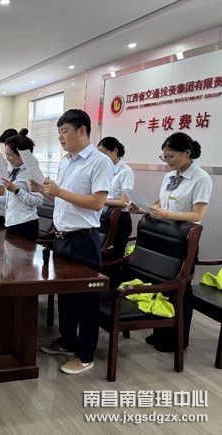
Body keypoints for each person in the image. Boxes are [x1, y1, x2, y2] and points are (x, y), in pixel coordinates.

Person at [31, 109, 113, 375]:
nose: (60, 137)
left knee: (86, 300)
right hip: (61, 238)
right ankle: (67, 340)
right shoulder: (66, 161)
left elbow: (97, 203)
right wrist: (44, 190)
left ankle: (86, 355)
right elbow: (61, 198)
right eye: (58, 132)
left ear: (82, 130)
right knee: (66, 296)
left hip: (83, 240)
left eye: (64, 131)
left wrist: (59, 191)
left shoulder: (100, 162)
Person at [130, 132, 212, 352]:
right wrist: (144, 208)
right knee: (161, 284)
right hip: (163, 236)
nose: (167, 161)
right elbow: (163, 204)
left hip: (183, 240)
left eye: (171, 156)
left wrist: (167, 214)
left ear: (187, 153)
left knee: (180, 288)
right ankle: (160, 331)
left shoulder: (201, 178)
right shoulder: (169, 176)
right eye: (164, 157)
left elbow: (197, 214)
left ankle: (177, 340)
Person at [0, 129, 43, 239]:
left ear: (21, 154)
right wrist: (0, 199)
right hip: (11, 221)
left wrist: (16, 190)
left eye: (10, 155)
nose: (8, 159)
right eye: (6, 155)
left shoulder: (32, 171)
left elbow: (38, 201)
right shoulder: (15, 170)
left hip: (25, 223)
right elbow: (14, 197)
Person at [96, 137, 134, 259]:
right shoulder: (105, 169)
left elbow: (125, 202)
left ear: (115, 151)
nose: (101, 158)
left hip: (119, 219)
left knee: (114, 256)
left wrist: (99, 200)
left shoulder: (125, 171)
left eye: (104, 154)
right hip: (104, 216)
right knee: (100, 253)